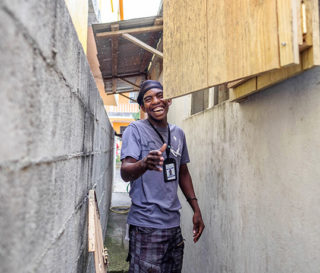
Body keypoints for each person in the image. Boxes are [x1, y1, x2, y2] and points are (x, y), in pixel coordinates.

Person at [120, 80, 205, 273]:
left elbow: (182, 172)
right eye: (148, 99)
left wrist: (196, 209)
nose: (156, 101)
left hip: (173, 225)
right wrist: (143, 164)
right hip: (145, 227)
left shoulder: (178, 134)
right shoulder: (135, 131)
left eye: (160, 95)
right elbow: (125, 171)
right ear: (143, 107)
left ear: (169, 99)